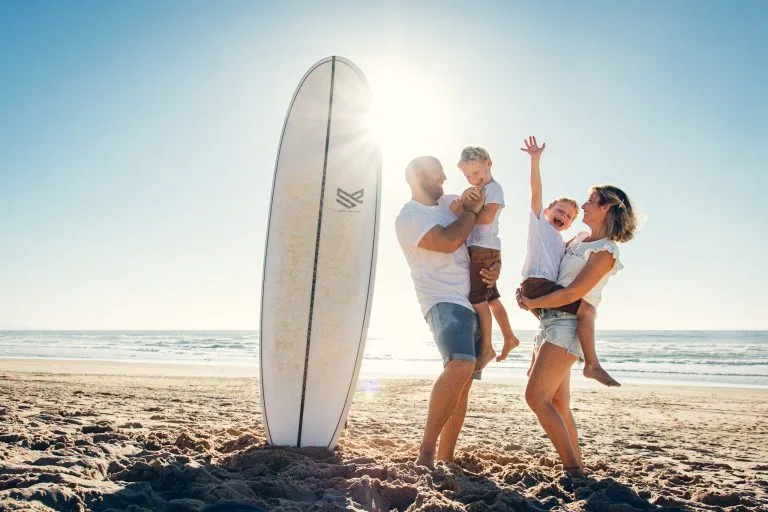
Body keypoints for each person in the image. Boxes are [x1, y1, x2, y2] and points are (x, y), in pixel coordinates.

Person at [518, 183, 637, 477]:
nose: (584, 207)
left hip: (567, 327)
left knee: (535, 397)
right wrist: (527, 296)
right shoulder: (581, 238)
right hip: (547, 322)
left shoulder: (606, 251)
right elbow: (548, 259)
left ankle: (572, 471)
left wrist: (534, 300)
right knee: (558, 402)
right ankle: (578, 468)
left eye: (590, 201)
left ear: (606, 207)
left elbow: (574, 293)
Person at [395, 156, 499, 469]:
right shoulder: (409, 216)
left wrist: (493, 269)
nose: (443, 176)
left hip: (473, 300)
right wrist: (470, 210)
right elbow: (448, 241)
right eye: (434, 170)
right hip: (441, 299)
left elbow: (483, 228)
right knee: (460, 365)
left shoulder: (452, 202)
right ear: (414, 175)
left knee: (464, 382)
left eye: (443, 171)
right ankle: (426, 453)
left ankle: (446, 456)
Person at [518, 136, 619, 387]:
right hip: (538, 284)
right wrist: (535, 160)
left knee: (569, 311)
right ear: (546, 212)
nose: (564, 216)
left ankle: (538, 361)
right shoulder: (540, 226)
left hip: (540, 286)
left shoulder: (564, 242)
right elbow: (536, 190)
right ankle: (591, 363)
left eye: (570, 216)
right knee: (586, 310)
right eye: (559, 211)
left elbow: (571, 254)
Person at [448, 146, 520, 370]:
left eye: (476, 173)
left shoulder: (494, 189)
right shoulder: (476, 190)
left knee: (478, 300)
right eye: (468, 176)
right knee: (491, 299)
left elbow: (487, 218)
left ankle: (487, 348)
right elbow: (468, 208)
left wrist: (461, 212)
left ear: (489, 163)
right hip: (480, 248)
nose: (473, 179)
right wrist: (461, 201)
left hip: (483, 249)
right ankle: (509, 337)